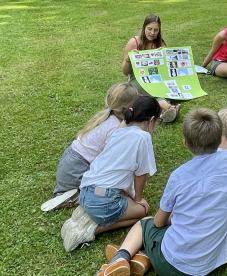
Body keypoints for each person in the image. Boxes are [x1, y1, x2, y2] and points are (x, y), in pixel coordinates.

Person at [96, 108, 227, 276]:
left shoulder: (178, 176)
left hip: (173, 266)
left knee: (144, 224)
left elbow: (159, 222)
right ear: (219, 136)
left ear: (185, 142)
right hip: (214, 263)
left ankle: (119, 259)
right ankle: (142, 259)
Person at [61, 96, 161, 252]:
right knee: (143, 211)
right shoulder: (143, 137)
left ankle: (87, 215)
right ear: (152, 119)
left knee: (125, 198)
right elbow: (141, 174)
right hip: (103, 201)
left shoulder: (118, 131)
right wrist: (138, 199)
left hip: (86, 192)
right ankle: (93, 229)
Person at [41, 82, 139, 212]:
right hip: (77, 173)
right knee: (108, 193)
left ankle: (69, 192)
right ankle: (75, 196)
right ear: (130, 108)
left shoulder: (105, 116)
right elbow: (112, 163)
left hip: (70, 166)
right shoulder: (116, 128)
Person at [122, 14, 179, 122]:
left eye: (156, 30)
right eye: (149, 29)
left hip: (156, 77)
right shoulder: (134, 42)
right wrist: (128, 59)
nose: (152, 33)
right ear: (144, 28)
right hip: (138, 78)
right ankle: (167, 107)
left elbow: (167, 67)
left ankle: (164, 111)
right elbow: (125, 72)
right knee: (146, 88)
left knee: (160, 86)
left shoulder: (160, 43)